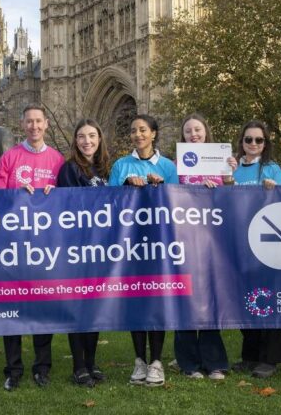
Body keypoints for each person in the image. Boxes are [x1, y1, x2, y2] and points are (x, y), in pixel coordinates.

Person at [0, 103, 65, 391]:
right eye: (29, 122)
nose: (34, 126)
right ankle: (13, 368)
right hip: (14, 245)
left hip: (45, 248)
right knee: (12, 308)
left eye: (38, 121)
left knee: (43, 308)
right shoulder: (9, 158)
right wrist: (17, 196)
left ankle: (42, 367)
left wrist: (54, 195)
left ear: (46, 124)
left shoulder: (57, 160)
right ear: (22, 125)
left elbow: (66, 203)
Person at [108, 114, 179, 387]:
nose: (138, 135)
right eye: (134, 131)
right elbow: (108, 203)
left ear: (154, 134)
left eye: (143, 130)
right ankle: (139, 360)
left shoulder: (168, 166)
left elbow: (178, 203)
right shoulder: (121, 165)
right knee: (136, 301)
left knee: (156, 301)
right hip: (130, 245)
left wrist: (160, 187)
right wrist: (127, 186)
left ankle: (157, 362)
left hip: (160, 244)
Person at [227, 120, 281, 379]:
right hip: (238, 241)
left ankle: (270, 358)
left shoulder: (272, 168)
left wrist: (275, 190)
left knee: (269, 300)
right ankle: (250, 355)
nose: (253, 144)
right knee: (245, 300)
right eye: (248, 140)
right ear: (241, 142)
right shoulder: (231, 169)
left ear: (265, 144)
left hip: (267, 241)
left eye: (259, 140)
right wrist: (226, 181)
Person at [172, 114, 229, 380]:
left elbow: (234, 200)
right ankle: (189, 363)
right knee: (184, 299)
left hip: (212, 239)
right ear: (182, 136)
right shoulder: (176, 166)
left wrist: (227, 179)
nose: (193, 134)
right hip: (182, 240)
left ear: (206, 132)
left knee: (210, 299)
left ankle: (214, 361)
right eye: (188, 131)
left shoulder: (222, 162)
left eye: (197, 130)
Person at [56, 118, 111, 388]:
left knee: (95, 308)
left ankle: (91, 362)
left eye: (92, 136)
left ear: (99, 139)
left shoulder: (106, 169)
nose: (87, 141)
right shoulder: (69, 169)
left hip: (102, 250)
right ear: (75, 141)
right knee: (78, 308)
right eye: (81, 136)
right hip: (77, 250)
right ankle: (79, 366)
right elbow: (67, 209)